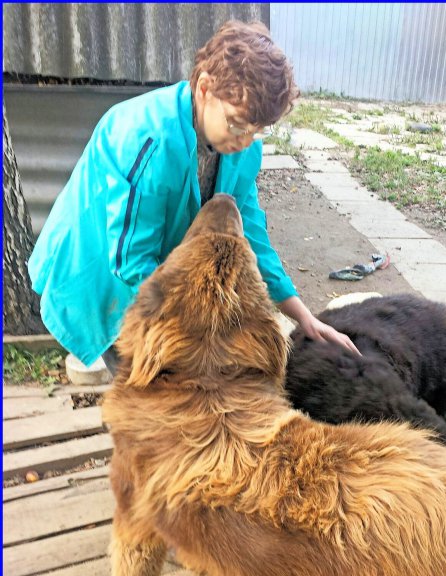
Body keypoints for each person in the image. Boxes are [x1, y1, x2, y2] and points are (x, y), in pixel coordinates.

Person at [27, 19, 360, 376]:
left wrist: (302, 316)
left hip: (160, 275)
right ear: (204, 88)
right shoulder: (147, 140)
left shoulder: (243, 147)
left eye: (258, 131)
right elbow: (130, 261)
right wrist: (198, 330)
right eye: (236, 123)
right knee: (142, 379)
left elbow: (251, 234)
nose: (245, 140)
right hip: (104, 274)